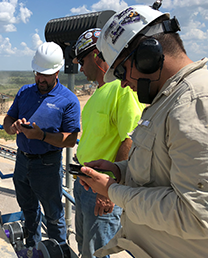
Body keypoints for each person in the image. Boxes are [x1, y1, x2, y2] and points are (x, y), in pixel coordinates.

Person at [78, 3, 208, 258]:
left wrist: (113, 191)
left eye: (121, 71)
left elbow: (195, 215)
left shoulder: (193, 103)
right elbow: (162, 170)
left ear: (147, 56)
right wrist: (120, 171)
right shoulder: (168, 99)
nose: (124, 83)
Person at [72, 28, 144, 258]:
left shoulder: (121, 89)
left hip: (101, 188)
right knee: (85, 244)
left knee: (98, 251)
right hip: (84, 183)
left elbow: (130, 138)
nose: (80, 68)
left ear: (96, 56)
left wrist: (107, 191)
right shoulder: (99, 92)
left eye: (82, 61)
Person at [3, 41, 81, 254]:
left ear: (57, 71)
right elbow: (8, 119)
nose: (40, 79)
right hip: (22, 160)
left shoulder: (68, 100)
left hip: (47, 164)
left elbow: (70, 139)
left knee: (53, 215)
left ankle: (58, 251)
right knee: (28, 209)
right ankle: (32, 248)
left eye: (46, 75)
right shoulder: (25, 92)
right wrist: (13, 128)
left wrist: (42, 136)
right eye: (38, 73)